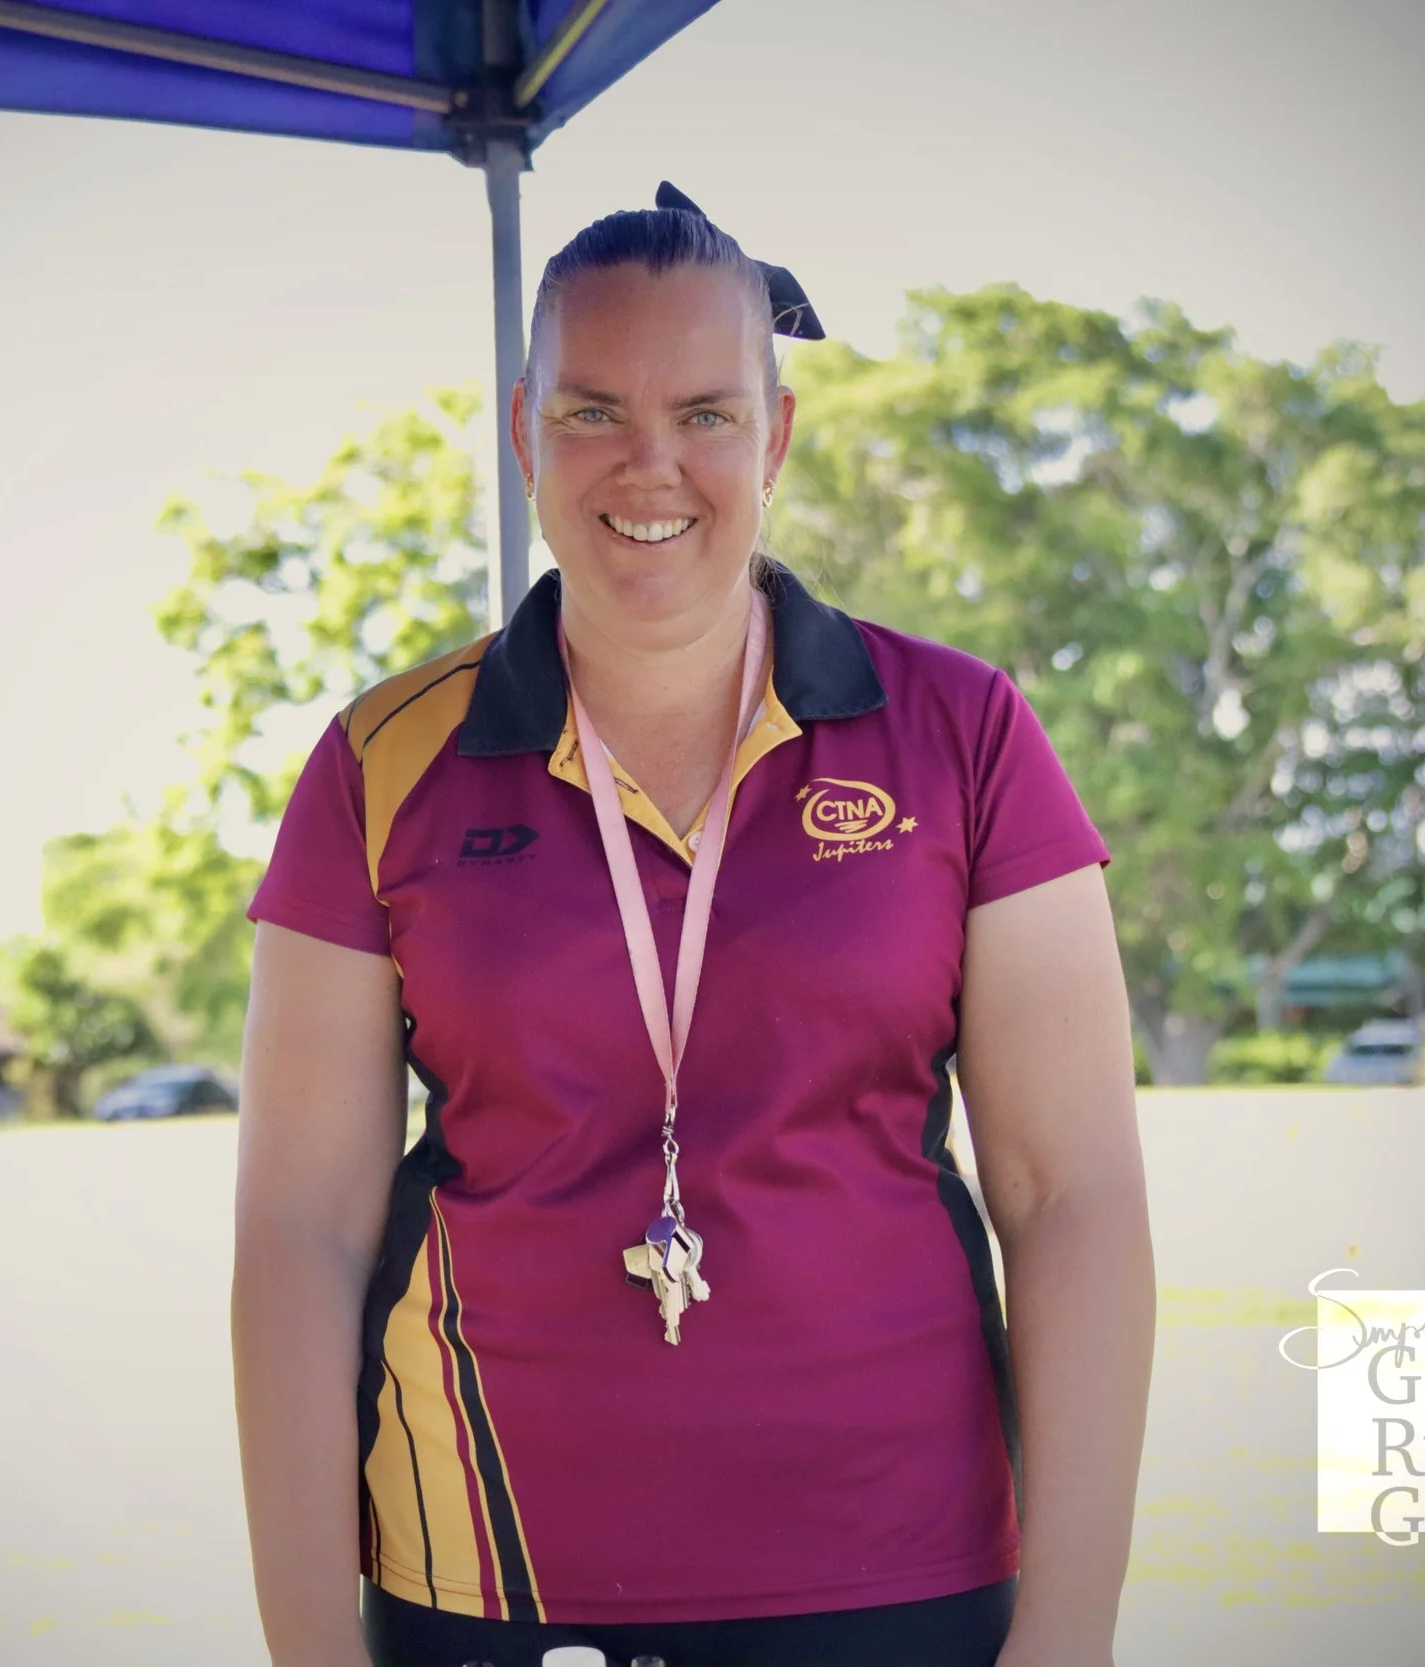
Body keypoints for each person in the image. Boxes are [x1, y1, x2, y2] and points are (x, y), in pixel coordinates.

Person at [233, 186, 1154, 1667]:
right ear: (525, 431)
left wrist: (1073, 1630)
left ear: (774, 438)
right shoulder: (378, 758)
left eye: (708, 414)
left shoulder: (963, 731)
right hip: (488, 1589)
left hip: (901, 1577)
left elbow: (1076, 1196)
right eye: (594, 412)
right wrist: (305, 1646)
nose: (651, 464)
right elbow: (298, 1229)